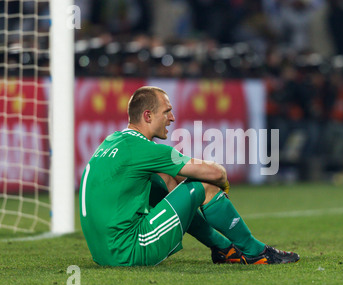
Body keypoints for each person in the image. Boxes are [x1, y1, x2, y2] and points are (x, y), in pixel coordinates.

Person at [79, 86, 299, 266]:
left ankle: (223, 248)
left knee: (161, 184)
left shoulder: (110, 142)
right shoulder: (145, 149)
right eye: (166, 111)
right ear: (148, 116)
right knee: (203, 185)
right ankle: (256, 252)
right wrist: (221, 185)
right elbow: (215, 172)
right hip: (128, 251)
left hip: (102, 254)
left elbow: (169, 186)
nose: (172, 118)